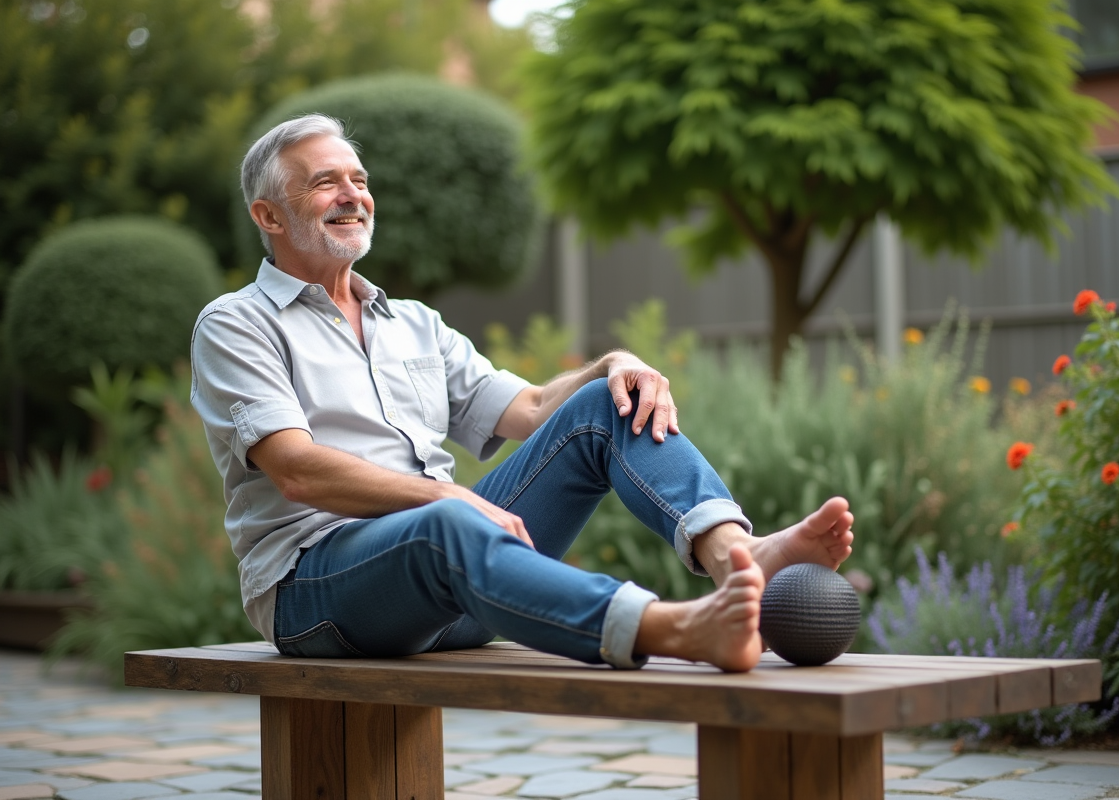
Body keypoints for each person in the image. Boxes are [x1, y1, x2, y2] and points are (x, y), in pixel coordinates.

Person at [190, 114, 854, 673]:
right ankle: (674, 629)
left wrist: (611, 364)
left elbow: (533, 410)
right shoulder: (237, 324)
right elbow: (296, 471)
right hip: (318, 595)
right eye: (324, 182)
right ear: (268, 215)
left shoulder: (413, 323)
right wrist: (445, 496)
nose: (351, 195)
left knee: (604, 403)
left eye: (359, 181)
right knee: (446, 522)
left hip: (456, 587)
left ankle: (735, 552)